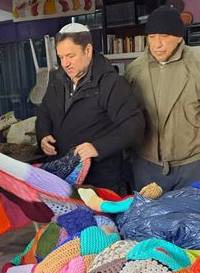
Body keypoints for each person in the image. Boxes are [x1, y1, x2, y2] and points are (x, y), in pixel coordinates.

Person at [125, 5, 200, 191]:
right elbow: (126, 117)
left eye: (164, 36)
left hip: (194, 164)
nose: (157, 44)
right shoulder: (135, 69)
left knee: (194, 217)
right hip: (146, 164)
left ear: (179, 37)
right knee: (151, 218)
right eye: (152, 37)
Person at [36, 23, 145, 193]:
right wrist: (43, 134)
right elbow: (44, 111)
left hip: (101, 180)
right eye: (61, 57)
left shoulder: (112, 83)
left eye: (70, 56)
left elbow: (134, 125)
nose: (65, 63)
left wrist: (98, 147)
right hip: (63, 176)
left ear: (87, 50)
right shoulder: (56, 79)